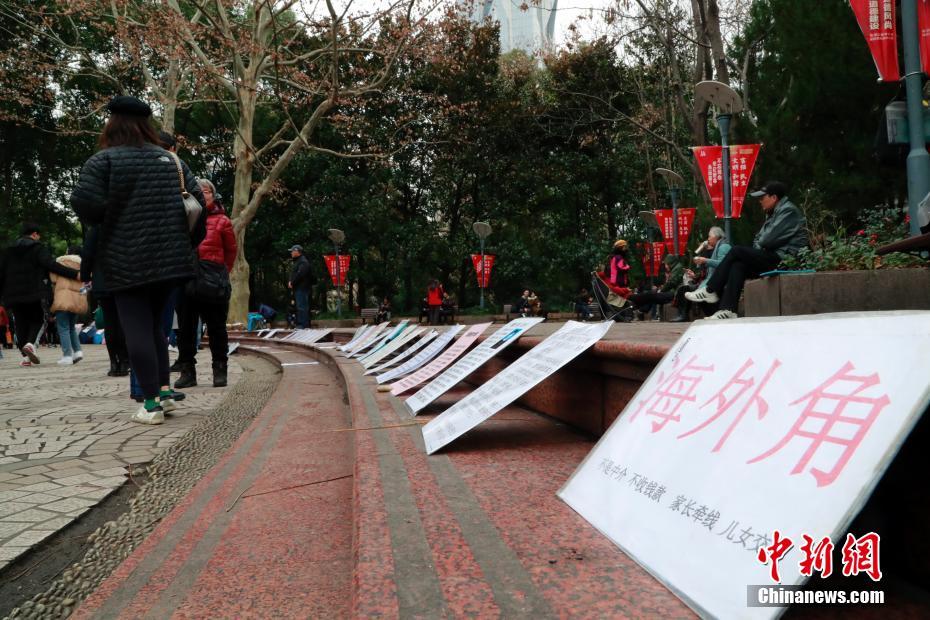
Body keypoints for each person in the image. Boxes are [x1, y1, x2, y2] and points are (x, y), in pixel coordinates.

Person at [70, 95, 206, 425]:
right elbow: (199, 204)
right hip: (171, 260)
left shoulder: (104, 162)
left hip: (124, 258)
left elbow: (84, 205)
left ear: (112, 124)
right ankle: (162, 392)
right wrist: (186, 243)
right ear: (148, 125)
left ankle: (150, 404)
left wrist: (113, 212)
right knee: (157, 328)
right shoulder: (172, 161)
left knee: (137, 330)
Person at [686, 181, 808, 319]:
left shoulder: (787, 211)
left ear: (774, 198)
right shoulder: (773, 213)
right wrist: (762, 243)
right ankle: (728, 310)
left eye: (763, 197)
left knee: (737, 251)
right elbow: (757, 240)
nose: (760, 201)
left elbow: (765, 240)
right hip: (773, 256)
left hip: (785, 259)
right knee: (738, 266)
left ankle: (710, 289)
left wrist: (763, 243)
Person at [174, 178, 237, 389]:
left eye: (206, 191)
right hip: (187, 280)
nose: (202, 194)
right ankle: (187, 371)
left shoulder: (223, 221)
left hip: (213, 280)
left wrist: (220, 272)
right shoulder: (184, 218)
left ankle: (220, 370)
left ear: (213, 194)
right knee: (185, 329)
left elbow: (231, 252)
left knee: (217, 328)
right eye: (198, 191)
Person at [0, 222, 79, 366]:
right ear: (35, 234)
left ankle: (26, 358)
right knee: (37, 320)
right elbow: (51, 265)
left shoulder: (8, 251)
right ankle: (30, 345)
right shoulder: (37, 248)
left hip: (12, 295)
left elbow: (1, 274)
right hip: (33, 292)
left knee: (20, 323)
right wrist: (75, 274)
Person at [83, 227, 130, 377]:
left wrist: (85, 275)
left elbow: (87, 255)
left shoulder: (95, 229)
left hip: (102, 280)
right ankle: (124, 360)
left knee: (110, 323)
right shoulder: (121, 222)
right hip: (123, 279)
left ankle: (113, 363)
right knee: (122, 322)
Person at [671, 227, 730, 322]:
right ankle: (684, 314)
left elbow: (722, 264)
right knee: (685, 289)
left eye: (709, 236)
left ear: (716, 236)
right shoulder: (717, 248)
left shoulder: (723, 247)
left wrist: (705, 260)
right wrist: (694, 275)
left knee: (688, 290)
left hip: (717, 283)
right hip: (708, 281)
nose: (708, 239)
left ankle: (685, 315)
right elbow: (705, 272)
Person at [50, 245, 88, 365]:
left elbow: (53, 279)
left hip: (63, 297)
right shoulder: (84, 264)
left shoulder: (59, 262)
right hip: (78, 298)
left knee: (63, 328)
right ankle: (78, 351)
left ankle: (67, 356)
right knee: (71, 327)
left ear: (68, 251)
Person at [628, 254, 684, 319]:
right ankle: (639, 308)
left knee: (651, 295)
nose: (665, 266)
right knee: (651, 295)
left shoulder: (677, 268)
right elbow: (671, 283)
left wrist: (661, 290)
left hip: (674, 294)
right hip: (672, 292)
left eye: (666, 264)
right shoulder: (676, 268)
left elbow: (671, 283)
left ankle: (635, 301)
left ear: (670, 262)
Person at [288, 244, 312, 328]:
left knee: (302, 306)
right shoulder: (298, 261)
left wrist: (292, 282)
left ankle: (303, 325)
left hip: (302, 288)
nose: (291, 253)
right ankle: (301, 324)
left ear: (296, 251)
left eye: (292, 251)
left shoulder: (303, 261)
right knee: (299, 306)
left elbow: (300, 274)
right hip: (298, 287)